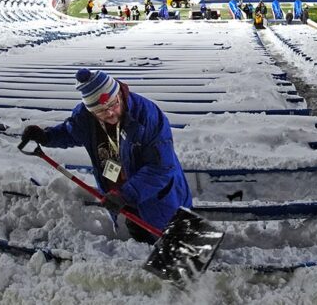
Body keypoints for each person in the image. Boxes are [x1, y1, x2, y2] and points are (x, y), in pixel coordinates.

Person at [20, 69, 192, 243]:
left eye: (113, 104)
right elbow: (71, 132)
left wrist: (125, 195)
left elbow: (161, 168)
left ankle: (200, 263)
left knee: (177, 235)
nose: (109, 113)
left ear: (119, 94)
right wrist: (46, 136)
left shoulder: (146, 116)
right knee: (138, 231)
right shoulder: (85, 118)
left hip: (156, 191)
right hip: (121, 191)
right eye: (101, 110)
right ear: (91, 111)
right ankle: (145, 257)